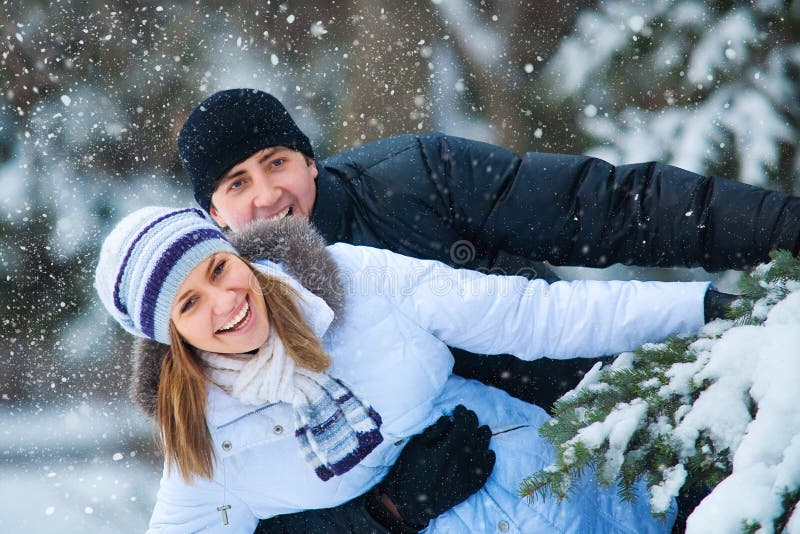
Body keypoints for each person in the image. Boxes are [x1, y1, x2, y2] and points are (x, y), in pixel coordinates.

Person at [164, 87, 768, 532]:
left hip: (614, 420)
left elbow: (604, 209)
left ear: (309, 160)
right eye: (236, 184)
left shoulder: (410, 184)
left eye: (277, 162)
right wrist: (383, 512)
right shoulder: (221, 343)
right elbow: (246, 511)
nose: (268, 195)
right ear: (212, 214)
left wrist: (772, 236)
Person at [96, 206, 719, 533]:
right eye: (189, 304)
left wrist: (696, 307)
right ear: (169, 334)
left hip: (575, 496)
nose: (225, 301)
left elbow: (534, 315)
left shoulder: (357, 281)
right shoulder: (207, 445)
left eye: (217, 270)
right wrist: (387, 515)